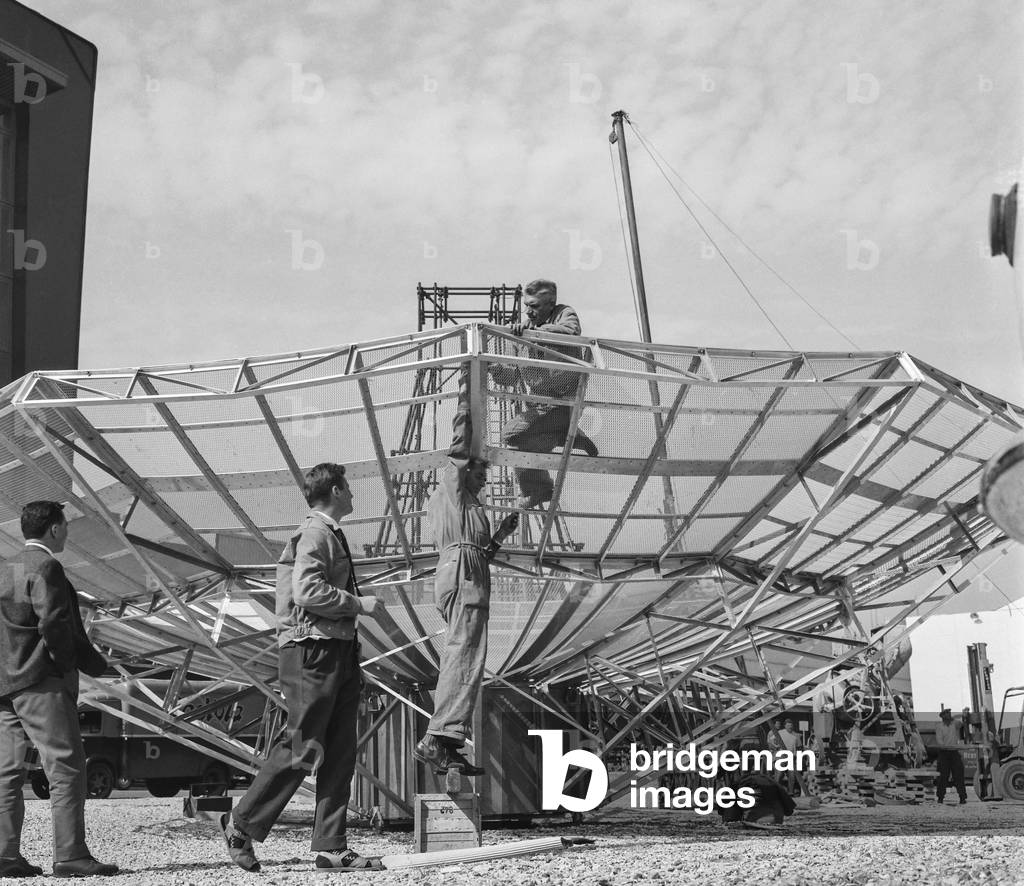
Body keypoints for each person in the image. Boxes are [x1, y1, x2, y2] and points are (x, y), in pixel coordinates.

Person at [221, 464, 385, 872]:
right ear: (335, 489)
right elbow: (308, 592)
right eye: (348, 487)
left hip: (337, 650)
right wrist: (358, 605)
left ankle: (332, 845)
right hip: (311, 649)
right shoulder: (315, 533)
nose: (353, 494)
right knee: (303, 744)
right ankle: (241, 824)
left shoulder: (328, 533)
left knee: (340, 749)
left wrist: (351, 657)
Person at [0, 501, 117, 877]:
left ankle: (4, 855)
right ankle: (70, 855)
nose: (67, 531)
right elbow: (53, 624)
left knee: (6, 772)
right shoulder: (46, 566)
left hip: (5, 685)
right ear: (54, 529)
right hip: (40, 682)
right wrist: (73, 666)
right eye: (65, 525)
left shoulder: (6, 567)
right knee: (65, 768)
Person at [414, 366, 519, 775]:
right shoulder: (453, 491)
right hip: (462, 572)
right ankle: (435, 737)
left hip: (469, 569)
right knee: (462, 654)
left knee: (470, 656)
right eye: (481, 470)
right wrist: (469, 390)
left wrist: (499, 537)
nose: (485, 476)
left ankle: (449, 740)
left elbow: (480, 554)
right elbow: (460, 442)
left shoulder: (471, 508)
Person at [490, 279, 598, 509]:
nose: (529, 311)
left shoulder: (563, 314)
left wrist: (535, 332)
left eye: (535, 306)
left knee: (510, 433)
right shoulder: (522, 331)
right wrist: (495, 369)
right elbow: (512, 377)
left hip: (565, 403)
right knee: (525, 442)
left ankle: (540, 487)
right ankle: (545, 479)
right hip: (541, 408)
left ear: (550, 304)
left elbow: (571, 330)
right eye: (527, 306)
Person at [933, 708, 968, 805]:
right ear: (943, 717)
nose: (949, 716)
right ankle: (940, 797)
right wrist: (945, 746)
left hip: (954, 752)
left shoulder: (954, 724)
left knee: (959, 776)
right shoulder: (939, 727)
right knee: (942, 777)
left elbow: (962, 723)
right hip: (944, 753)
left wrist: (964, 714)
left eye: (949, 714)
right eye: (947, 714)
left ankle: (962, 797)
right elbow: (940, 742)